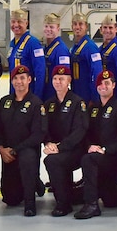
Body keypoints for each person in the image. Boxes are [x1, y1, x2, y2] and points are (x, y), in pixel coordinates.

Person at [74, 69, 117, 219]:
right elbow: (85, 133)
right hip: (97, 155)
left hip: (113, 157)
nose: (103, 86)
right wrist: (89, 146)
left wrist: (105, 150)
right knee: (110, 200)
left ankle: (91, 205)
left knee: (88, 159)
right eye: (100, 84)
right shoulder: (93, 108)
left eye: (107, 83)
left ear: (113, 85)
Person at [0, 64, 46, 216]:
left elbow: (39, 134)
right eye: (16, 78)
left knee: (27, 159)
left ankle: (30, 202)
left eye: (23, 78)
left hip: (27, 151)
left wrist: (16, 149)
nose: (19, 82)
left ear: (29, 80)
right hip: (8, 153)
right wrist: (0, 148)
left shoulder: (36, 104)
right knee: (10, 199)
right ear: (12, 82)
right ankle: (35, 181)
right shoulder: (4, 102)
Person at [42, 65, 89, 217]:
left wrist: (60, 147)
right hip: (58, 149)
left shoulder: (77, 102)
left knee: (52, 161)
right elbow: (44, 129)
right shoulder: (49, 104)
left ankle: (63, 204)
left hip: (76, 149)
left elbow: (80, 131)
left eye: (62, 79)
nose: (58, 82)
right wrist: (48, 143)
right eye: (55, 79)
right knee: (54, 159)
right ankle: (65, 196)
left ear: (69, 80)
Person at [9, 9, 45, 95]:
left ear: (26, 23)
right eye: (13, 22)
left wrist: (37, 97)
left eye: (19, 22)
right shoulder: (12, 43)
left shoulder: (33, 43)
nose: (16, 25)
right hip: (15, 94)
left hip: (29, 94)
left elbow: (40, 73)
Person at [68, 13, 103, 103]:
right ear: (72, 27)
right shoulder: (74, 47)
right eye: (75, 24)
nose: (77, 27)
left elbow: (97, 73)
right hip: (76, 94)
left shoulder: (90, 47)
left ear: (86, 26)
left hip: (87, 95)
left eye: (80, 24)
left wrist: (94, 98)